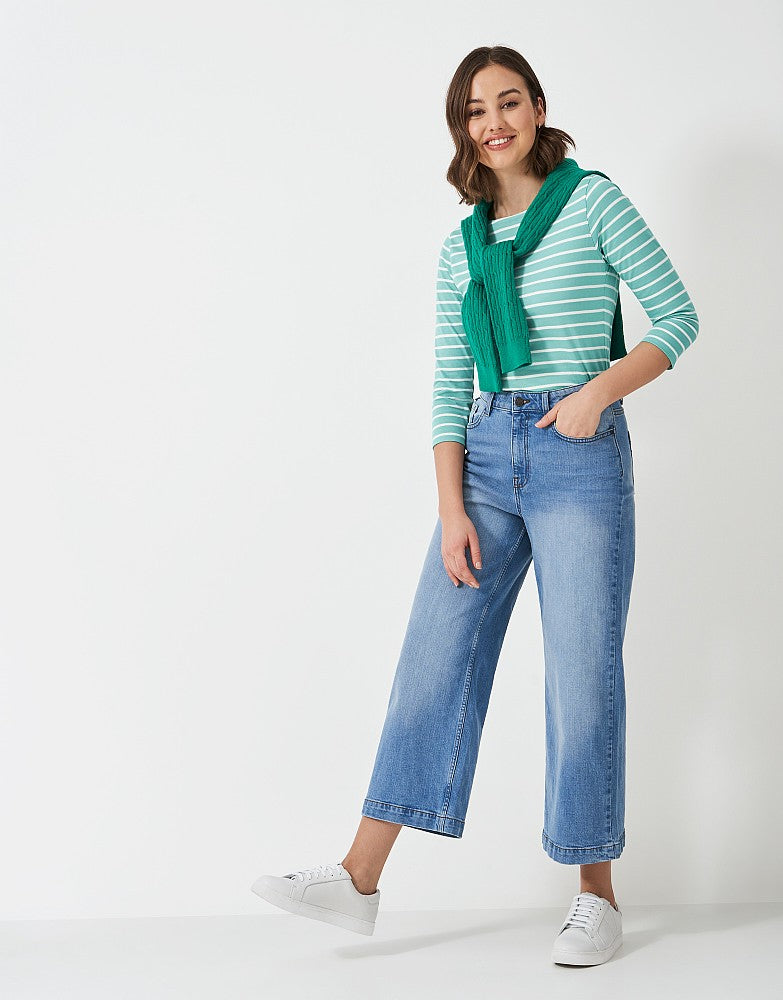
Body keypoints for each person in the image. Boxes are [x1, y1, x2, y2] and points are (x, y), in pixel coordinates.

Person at [251, 45, 699, 967]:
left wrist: (597, 394)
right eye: (473, 110)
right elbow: (448, 384)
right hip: (485, 458)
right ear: (462, 127)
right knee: (434, 657)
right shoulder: (460, 248)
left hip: (578, 454)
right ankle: (359, 877)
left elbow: (677, 317)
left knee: (579, 675)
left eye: (508, 102)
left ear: (537, 108)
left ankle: (595, 894)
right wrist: (450, 507)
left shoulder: (593, 203)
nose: (493, 122)